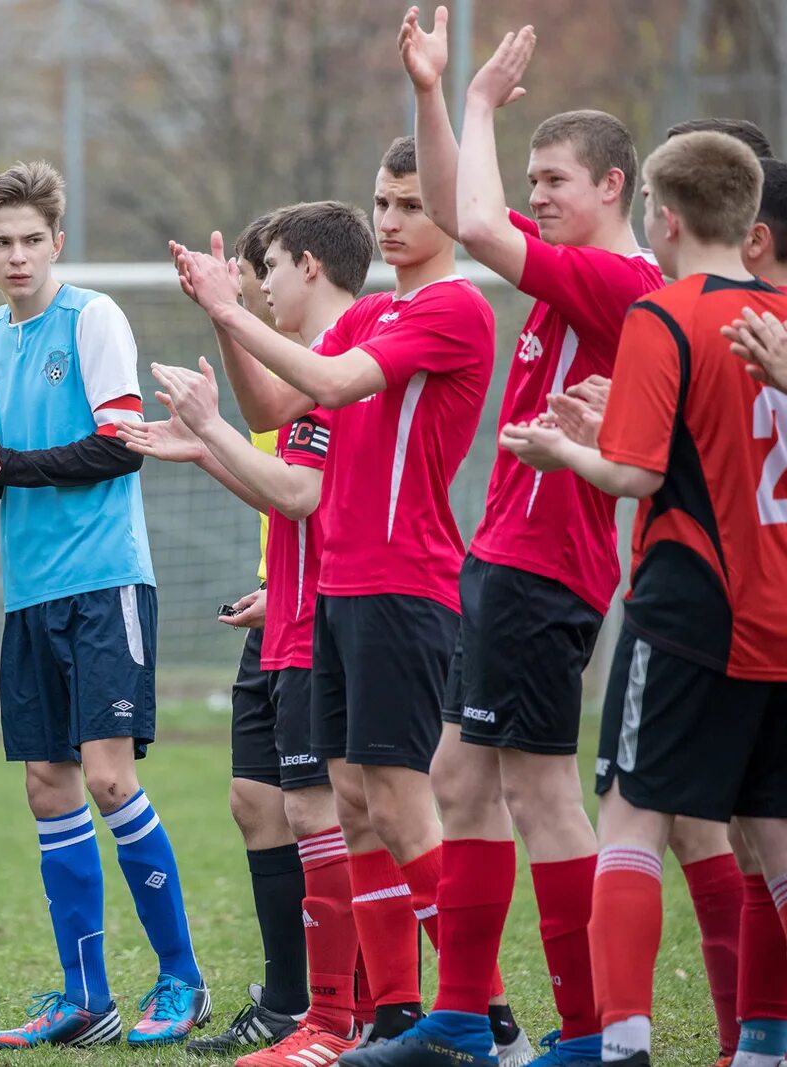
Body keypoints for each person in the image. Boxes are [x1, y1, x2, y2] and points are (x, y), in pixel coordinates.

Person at [347, 13, 665, 1067]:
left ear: (612, 186)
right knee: (459, 778)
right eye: (528, 179)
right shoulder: (577, 270)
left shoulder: (615, 280)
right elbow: (459, 209)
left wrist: (476, 103)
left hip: (546, 566)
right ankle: (460, 1013)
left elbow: (471, 226)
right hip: (509, 556)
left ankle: (587, 1030)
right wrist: (435, 96)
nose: (534, 199)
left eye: (554, 181)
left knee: (537, 790)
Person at [172, 136, 495, 1048]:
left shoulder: (455, 308)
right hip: (343, 590)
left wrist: (231, 311)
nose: (390, 222)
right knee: (354, 804)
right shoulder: (372, 318)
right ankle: (382, 1016)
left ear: (452, 214)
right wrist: (219, 334)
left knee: (398, 803)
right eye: (383, 204)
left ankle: (478, 1011)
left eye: (410, 206)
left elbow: (330, 384)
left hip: (403, 581)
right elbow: (278, 407)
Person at [501, 130, 787, 1067]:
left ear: (663, 217)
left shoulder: (664, 316)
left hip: (690, 604)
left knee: (631, 813)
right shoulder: (780, 319)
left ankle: (621, 1043)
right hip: (778, 609)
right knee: (775, 841)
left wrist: (563, 449)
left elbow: (631, 474)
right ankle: (766, 1047)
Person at [0, 160, 209, 1049]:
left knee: (107, 777)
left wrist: (8, 465)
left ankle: (182, 979)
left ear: (57, 242)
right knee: (47, 785)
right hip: (32, 595)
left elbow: (119, 445)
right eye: (2, 243)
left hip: (105, 582)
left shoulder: (93, 316)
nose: (17, 256)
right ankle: (84, 994)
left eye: (32, 241)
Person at [125, 201, 378, 1067]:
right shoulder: (314, 374)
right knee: (268, 803)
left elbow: (305, 496)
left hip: (325, 615)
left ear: (309, 265)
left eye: (266, 269)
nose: (259, 287)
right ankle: (304, 1006)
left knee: (341, 813)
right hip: (288, 605)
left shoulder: (348, 364)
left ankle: (356, 1010)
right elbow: (287, 482)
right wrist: (208, 445)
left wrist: (209, 428)